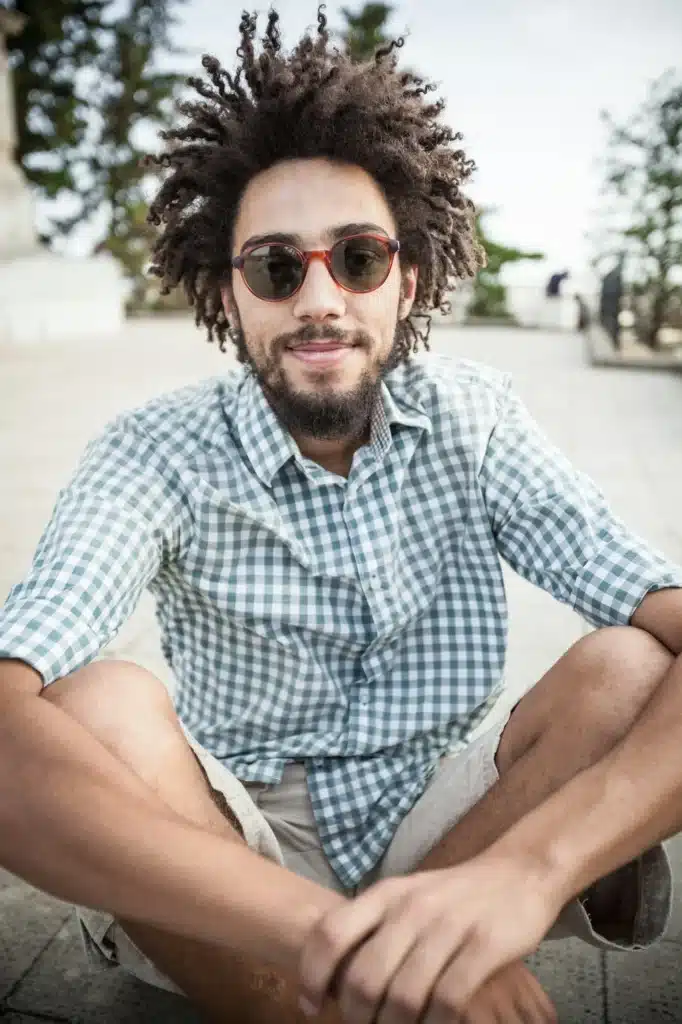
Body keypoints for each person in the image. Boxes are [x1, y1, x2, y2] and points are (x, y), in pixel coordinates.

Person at [1, 8, 682, 1024]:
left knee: (627, 668)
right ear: (229, 296)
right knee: (96, 702)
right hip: (231, 853)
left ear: (407, 280)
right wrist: (325, 933)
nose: (319, 297)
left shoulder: (479, 419)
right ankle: (348, 992)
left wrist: (521, 878)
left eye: (357, 259)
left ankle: (424, 942)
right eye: (277, 267)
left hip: (450, 821)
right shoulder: (150, 451)